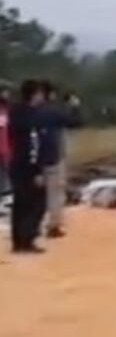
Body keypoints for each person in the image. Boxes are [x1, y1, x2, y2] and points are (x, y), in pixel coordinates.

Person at [8, 80, 48, 253]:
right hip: (27, 166)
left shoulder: (15, 113)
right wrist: (37, 170)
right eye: (40, 93)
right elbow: (33, 145)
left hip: (16, 163)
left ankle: (18, 241)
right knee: (36, 203)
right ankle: (27, 239)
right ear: (34, 94)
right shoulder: (31, 118)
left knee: (20, 204)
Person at [38, 82, 81, 238]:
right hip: (53, 156)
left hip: (33, 157)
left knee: (36, 193)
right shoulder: (53, 111)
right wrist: (74, 107)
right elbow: (74, 122)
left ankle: (34, 225)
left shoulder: (31, 111)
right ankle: (53, 225)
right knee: (55, 192)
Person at [0, 84, 11, 197]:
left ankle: (5, 196)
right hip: (3, 147)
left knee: (6, 173)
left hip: (6, 148)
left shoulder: (8, 110)